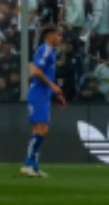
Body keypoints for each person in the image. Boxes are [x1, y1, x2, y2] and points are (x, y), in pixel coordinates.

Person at [21, 24, 66, 178]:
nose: (60, 38)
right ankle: (28, 164)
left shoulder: (51, 52)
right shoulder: (45, 49)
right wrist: (52, 86)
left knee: (39, 130)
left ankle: (33, 166)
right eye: (58, 35)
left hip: (44, 94)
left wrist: (55, 94)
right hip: (38, 94)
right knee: (42, 129)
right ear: (50, 36)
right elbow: (36, 71)